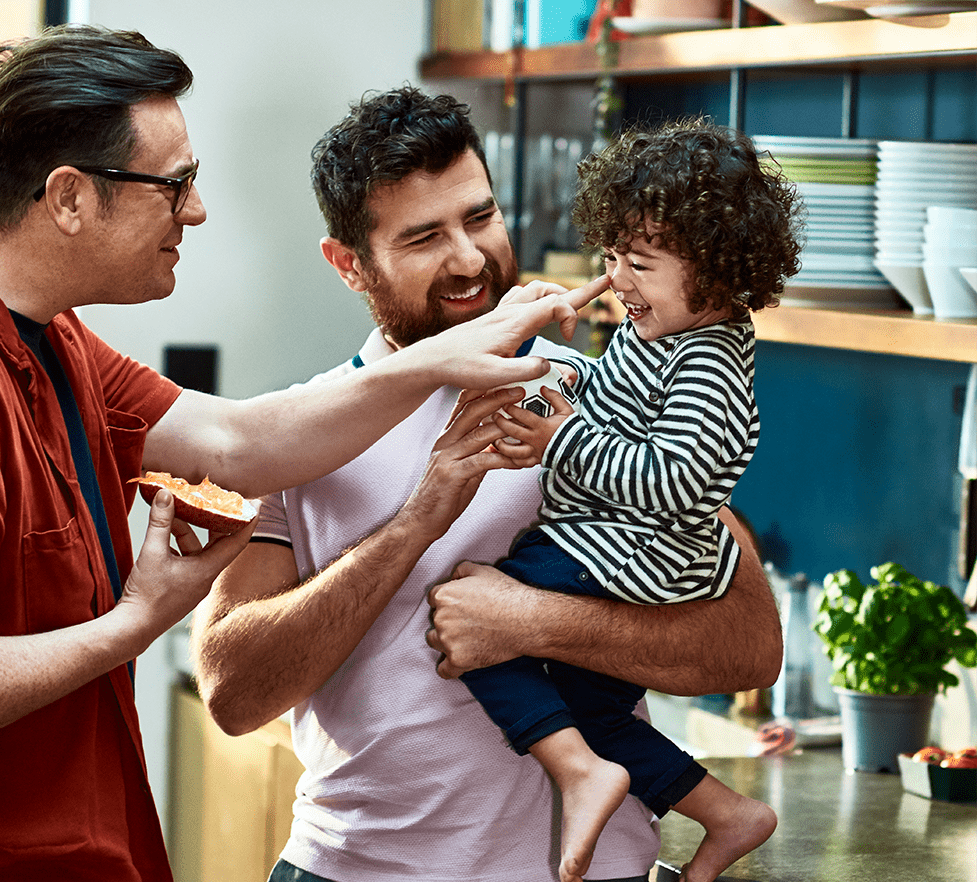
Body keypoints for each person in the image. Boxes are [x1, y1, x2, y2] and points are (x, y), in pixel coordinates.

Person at [0, 29, 598, 882]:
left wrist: (444, 354)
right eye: (174, 184)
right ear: (69, 198)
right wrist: (137, 621)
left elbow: (238, 442)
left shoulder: (38, 331)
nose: (196, 210)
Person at [192, 86, 784, 882]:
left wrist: (533, 621)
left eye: (480, 217)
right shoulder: (293, 433)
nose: (469, 259)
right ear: (348, 264)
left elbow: (750, 645)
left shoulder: (604, 396)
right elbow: (232, 694)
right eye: (424, 237)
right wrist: (417, 522)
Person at [463, 118, 802, 882]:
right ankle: (725, 814)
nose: (618, 278)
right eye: (612, 256)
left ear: (717, 271)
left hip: (632, 554)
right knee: (600, 710)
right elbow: (617, 406)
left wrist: (561, 442)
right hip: (617, 547)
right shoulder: (656, 330)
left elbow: (672, 478)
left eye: (639, 263)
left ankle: (579, 773)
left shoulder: (710, 361)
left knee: (473, 616)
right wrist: (566, 376)